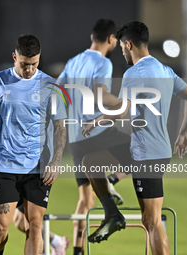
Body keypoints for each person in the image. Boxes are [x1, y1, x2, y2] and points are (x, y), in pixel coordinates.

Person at [81, 21, 187, 255]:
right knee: (90, 162)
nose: (122, 51)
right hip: (146, 149)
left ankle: (112, 211)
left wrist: (96, 120)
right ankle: (112, 214)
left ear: (128, 44)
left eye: (122, 47)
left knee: (151, 222)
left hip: (147, 155)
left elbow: (121, 111)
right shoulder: (164, 70)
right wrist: (185, 132)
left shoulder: (134, 73)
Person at [0, 34, 67, 255]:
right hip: (5, 165)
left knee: (35, 226)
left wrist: (56, 161)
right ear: (14, 57)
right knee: (0, 228)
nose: (29, 69)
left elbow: (60, 126)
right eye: (24, 64)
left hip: (37, 166)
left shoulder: (51, 85)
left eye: (34, 64)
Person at [57, 19, 130, 255]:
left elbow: (58, 90)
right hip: (97, 132)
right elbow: (101, 95)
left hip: (76, 139)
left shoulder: (73, 61)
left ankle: (78, 250)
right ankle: (112, 180)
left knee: (85, 199)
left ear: (92, 37)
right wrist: (122, 102)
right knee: (143, 149)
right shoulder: (103, 63)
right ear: (111, 39)